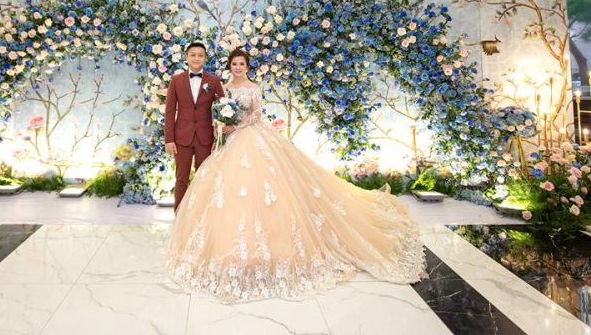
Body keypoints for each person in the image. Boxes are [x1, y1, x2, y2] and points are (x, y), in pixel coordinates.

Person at [165, 48, 426, 303]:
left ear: (247, 66)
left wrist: (237, 125)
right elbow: (214, 111)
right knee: (225, 190)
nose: (238, 68)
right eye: (234, 64)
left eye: (242, 64)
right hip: (228, 141)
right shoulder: (221, 87)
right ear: (229, 67)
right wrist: (222, 127)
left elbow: (257, 114)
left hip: (252, 137)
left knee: (267, 186)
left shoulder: (253, 88)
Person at [164, 41, 226, 212]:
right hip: (181, 137)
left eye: (200, 55)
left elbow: (223, 109)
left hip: (205, 138)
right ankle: (179, 216)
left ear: (205, 58)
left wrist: (219, 135)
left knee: (204, 178)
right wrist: (169, 140)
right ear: (186, 57)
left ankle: (202, 215)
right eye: (193, 55)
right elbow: (169, 112)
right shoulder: (176, 80)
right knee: (181, 179)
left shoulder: (214, 81)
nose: (196, 58)